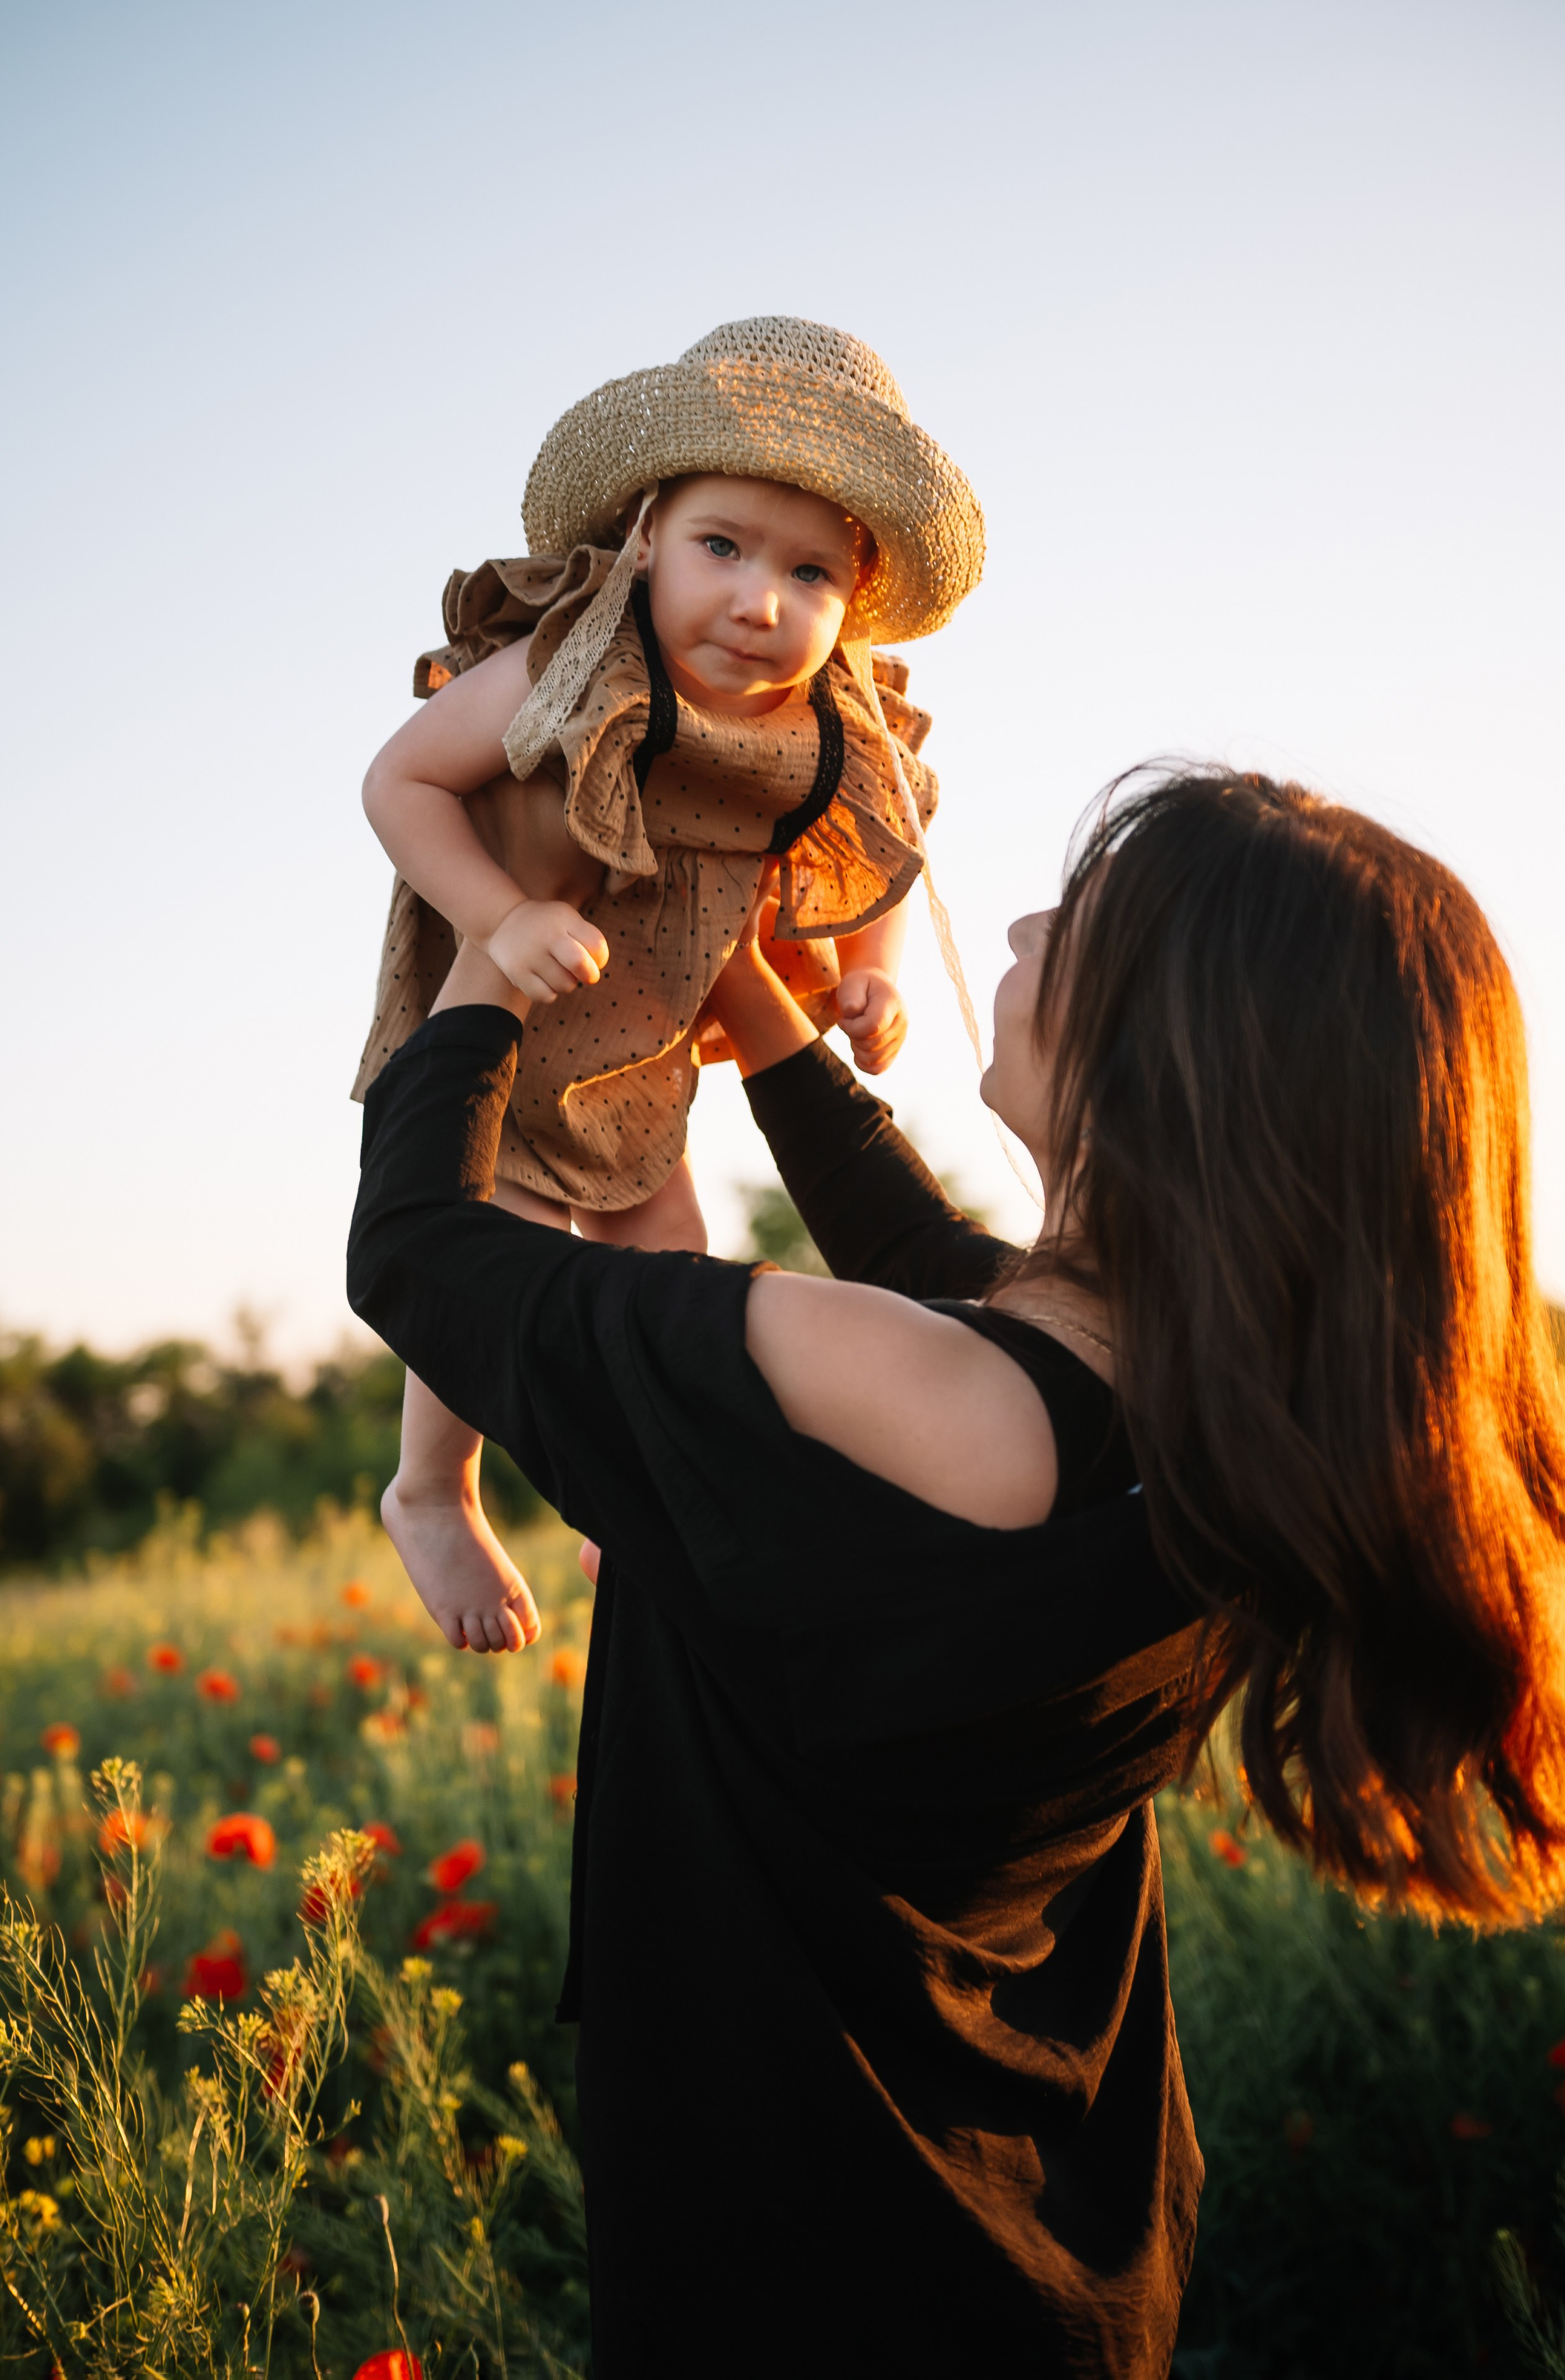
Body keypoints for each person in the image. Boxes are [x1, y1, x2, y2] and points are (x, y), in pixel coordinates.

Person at [347, 766, 1565, 2377]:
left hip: (802, 2266)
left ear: (1160, 1069)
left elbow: (419, 1257)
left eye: (1077, 920)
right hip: (1048, 2235)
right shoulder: (1229, 1439)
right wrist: (750, 994)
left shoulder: (887, 1384)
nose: (1013, 920)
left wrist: (488, 949)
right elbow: (939, 1265)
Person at [352, 315, 984, 1654]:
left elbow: (871, 864)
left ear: (856, 598)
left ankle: (634, 1480)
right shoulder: (576, 666)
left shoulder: (830, 733)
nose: (760, 601)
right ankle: (430, 1486)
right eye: (723, 547)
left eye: (810, 572)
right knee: (482, 1265)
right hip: (505, 1027)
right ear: (644, 536)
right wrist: (501, 912)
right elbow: (399, 780)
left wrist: (868, 981)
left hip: (643, 1053)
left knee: (672, 1277)